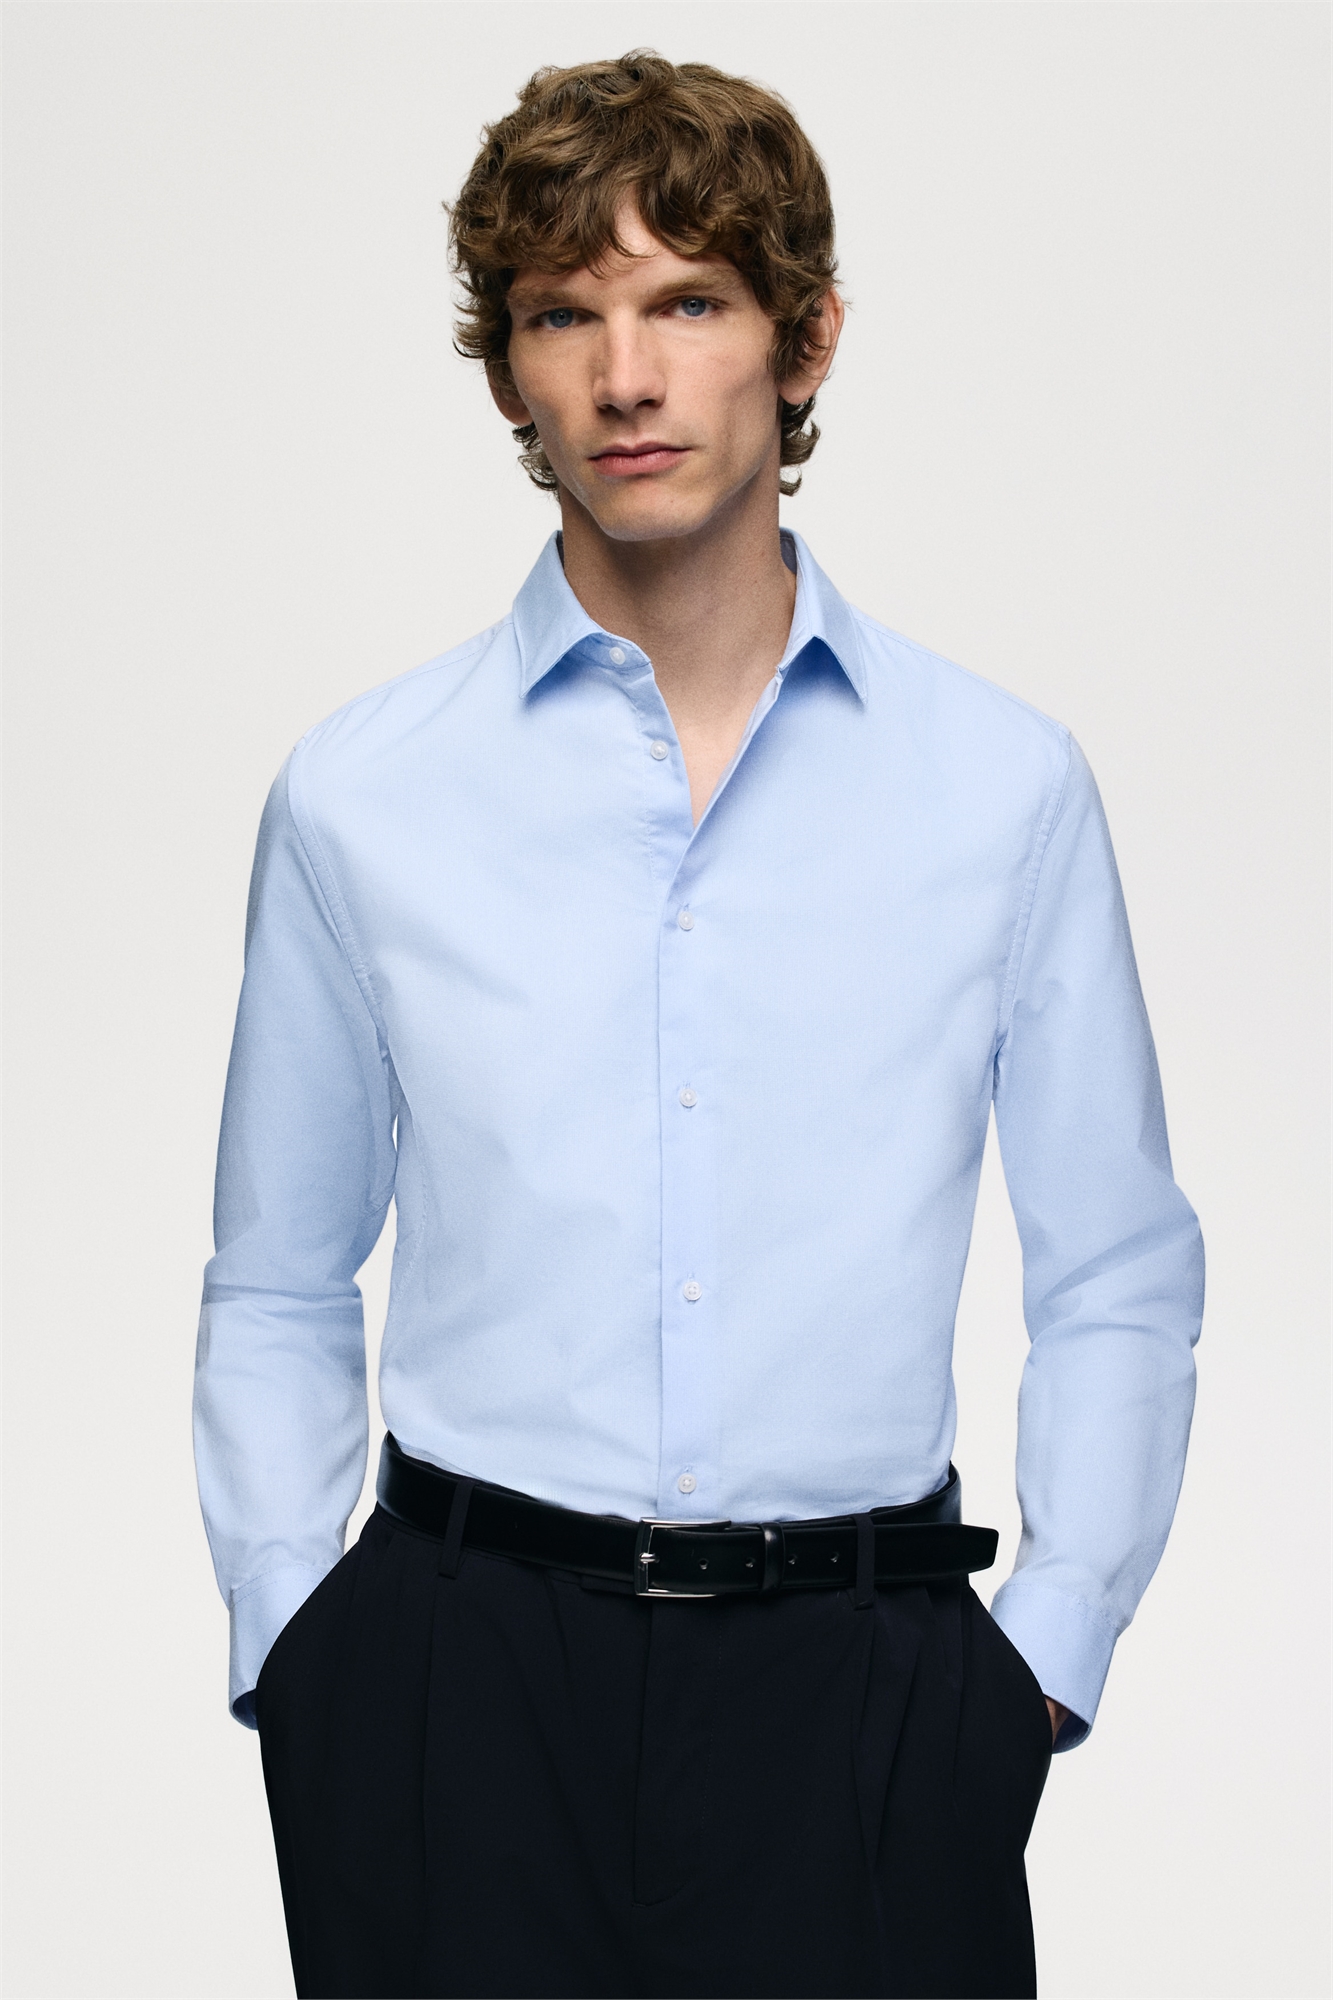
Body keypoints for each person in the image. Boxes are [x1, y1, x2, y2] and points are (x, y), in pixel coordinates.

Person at [194, 50, 1203, 2000]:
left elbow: (1117, 1269)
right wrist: (296, 1642)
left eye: (688, 304)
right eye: (560, 314)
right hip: (455, 1685)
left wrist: (1043, 1653)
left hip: (863, 1683)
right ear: (508, 372)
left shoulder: (998, 789)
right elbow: (278, 1272)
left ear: (803, 341)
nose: (624, 377)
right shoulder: (362, 795)